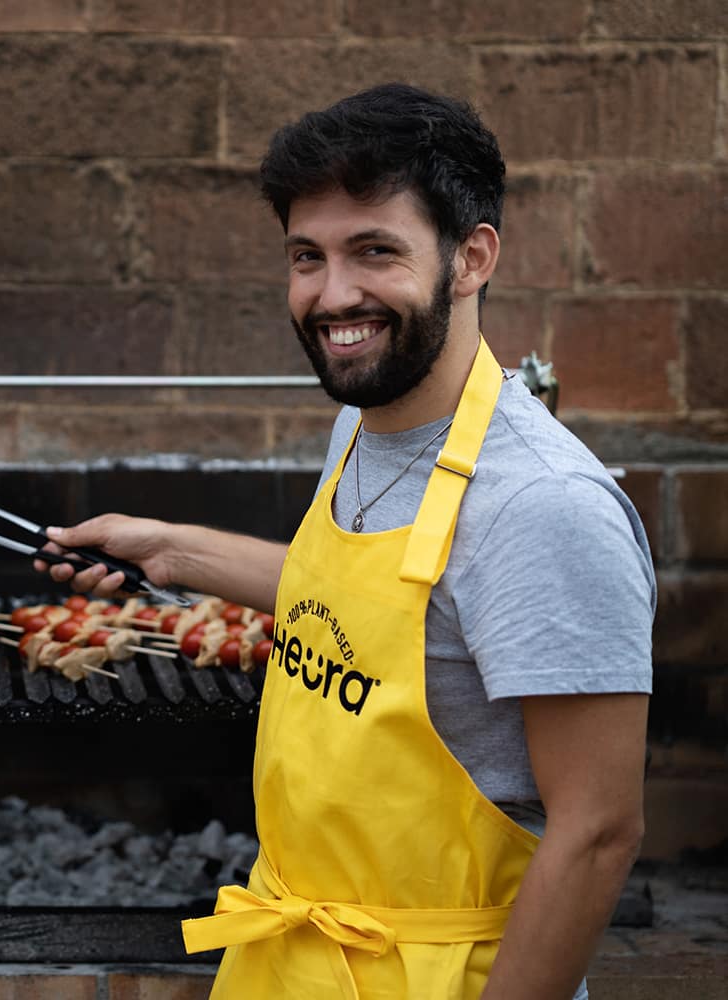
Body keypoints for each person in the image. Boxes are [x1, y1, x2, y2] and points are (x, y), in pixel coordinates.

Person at [42, 84, 654, 1000]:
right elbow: (374, 611)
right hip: (294, 957)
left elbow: (599, 832)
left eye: (375, 252)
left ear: (471, 258)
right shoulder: (369, 423)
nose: (333, 296)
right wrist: (173, 550)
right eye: (306, 256)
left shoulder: (544, 506)